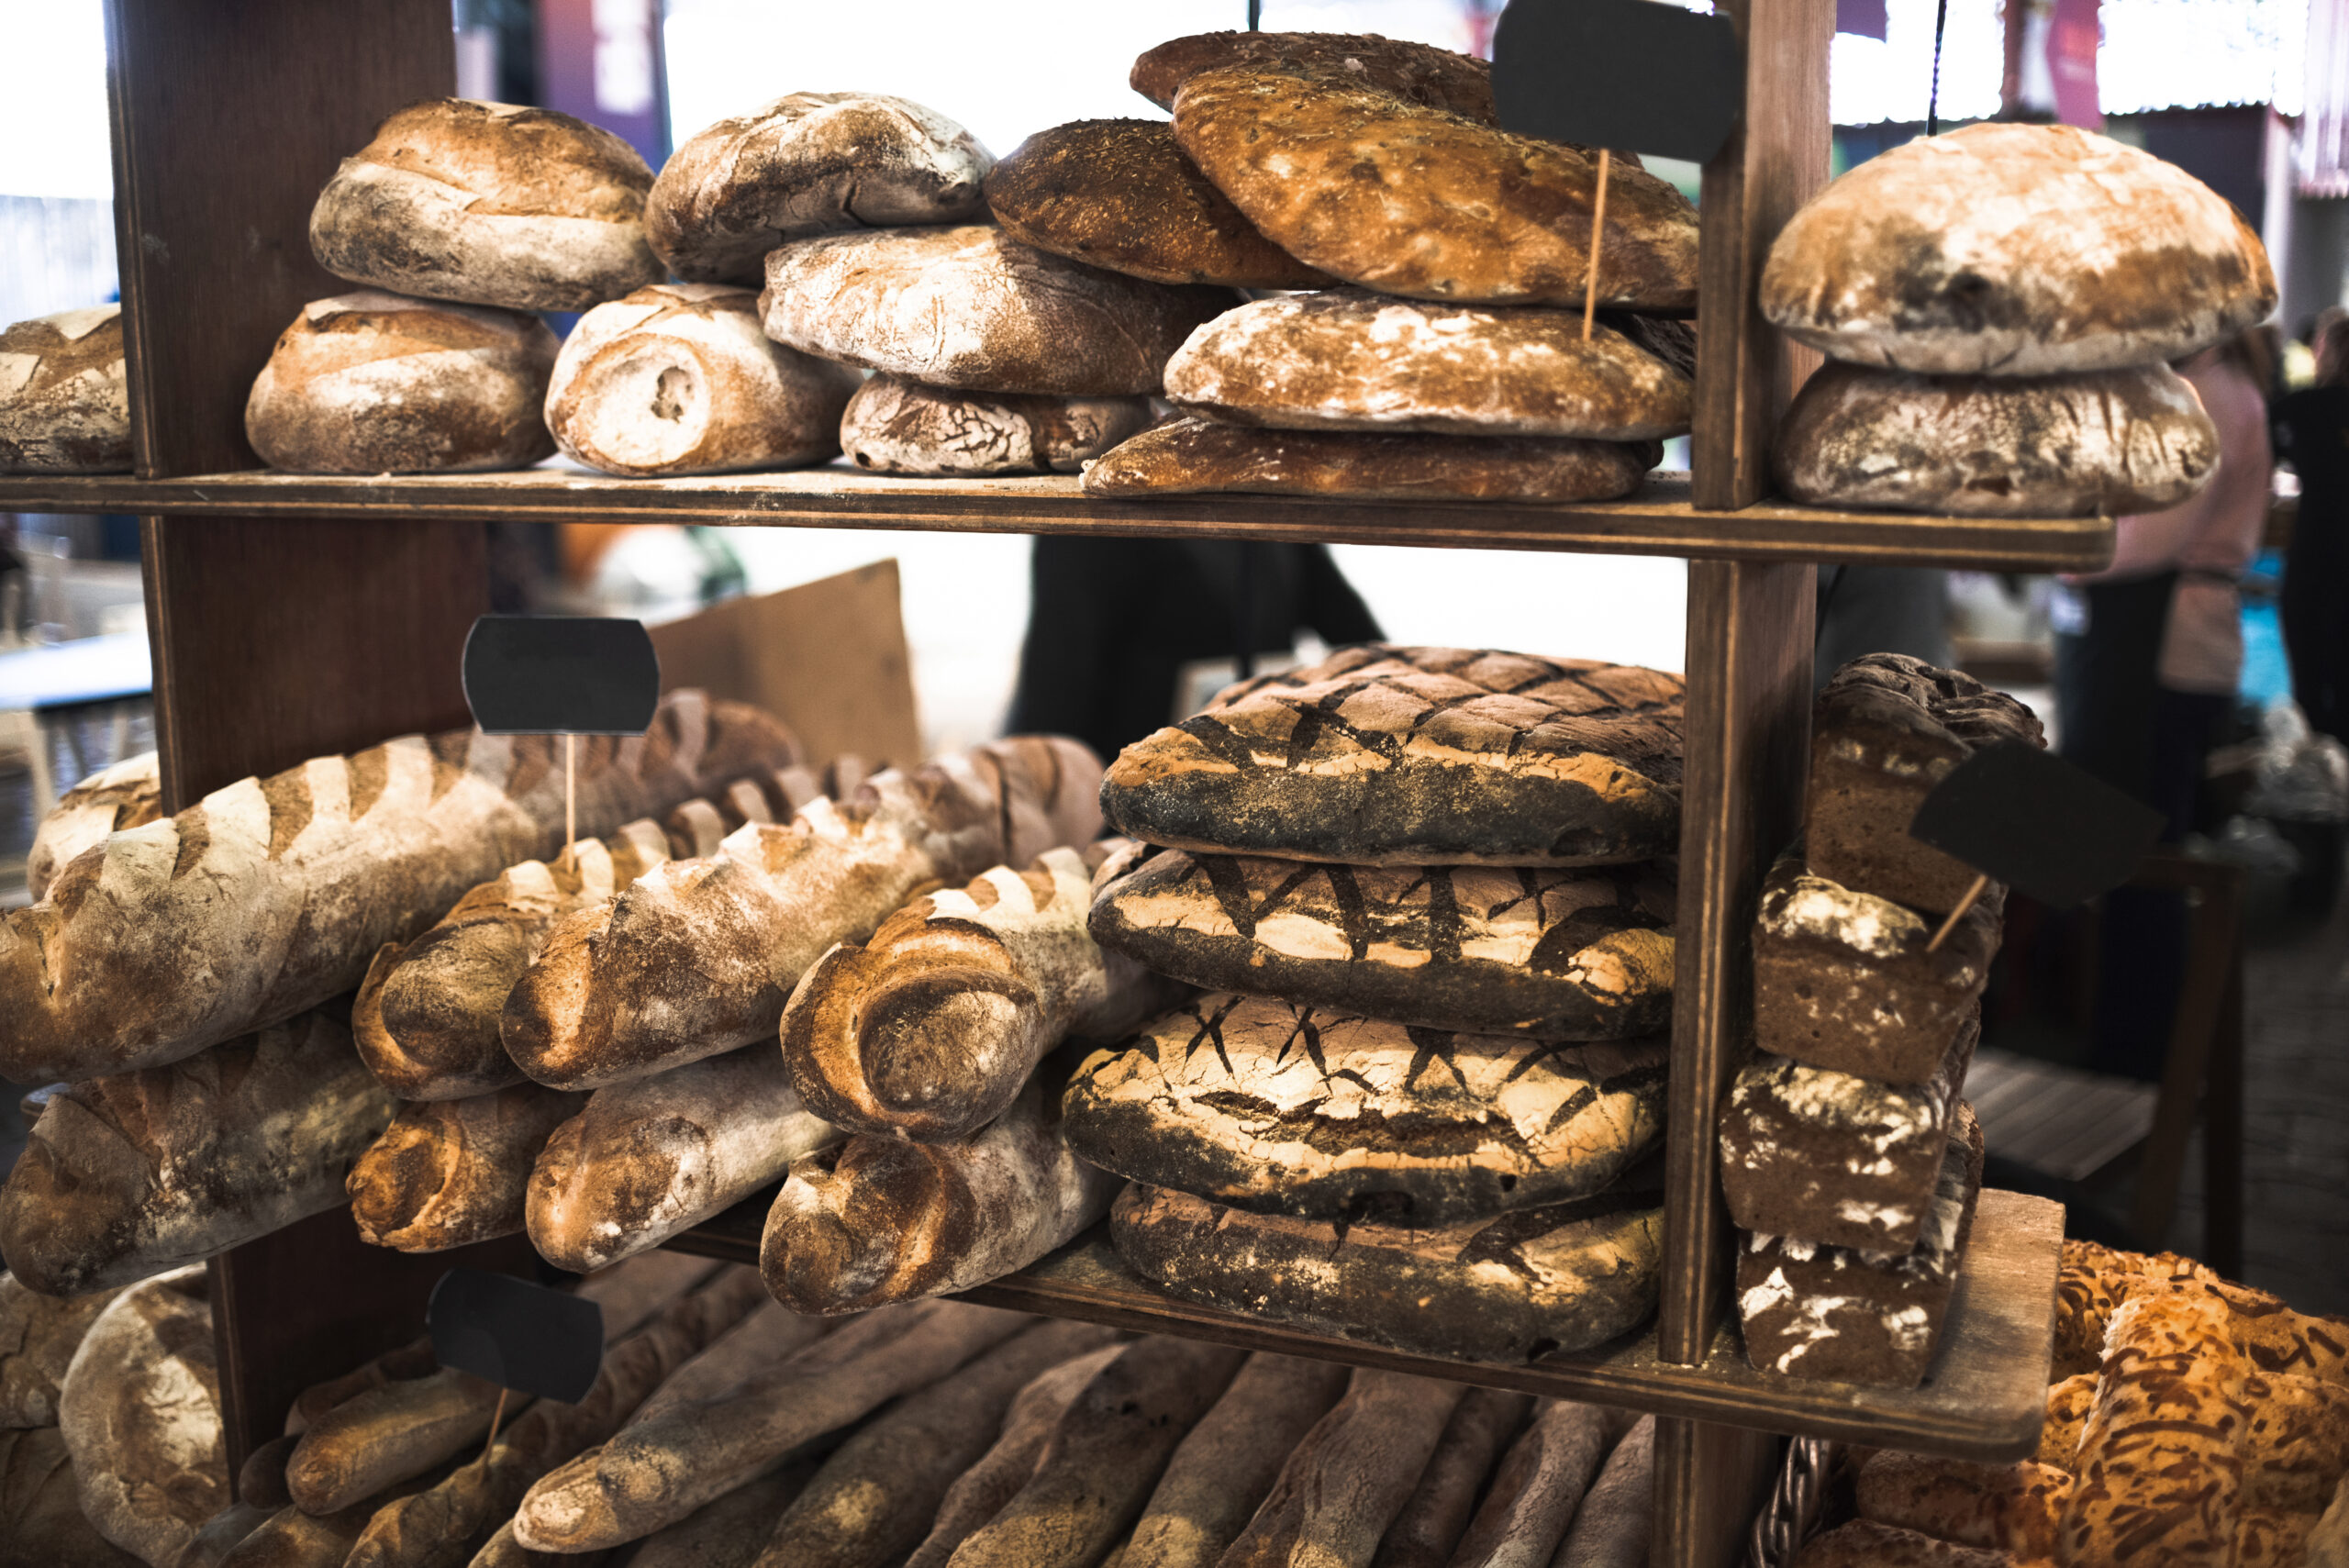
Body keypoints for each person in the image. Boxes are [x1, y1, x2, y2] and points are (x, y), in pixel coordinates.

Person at [2061, 331, 2275, 838]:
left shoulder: (2207, 395)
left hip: (2170, 642)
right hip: (2159, 632)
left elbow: (2157, 536)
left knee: (2140, 838)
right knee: (2138, 826)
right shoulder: (2196, 384)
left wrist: (2064, 559)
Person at [1006, 537, 1382, 764]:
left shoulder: (1269, 495)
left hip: (1255, 782)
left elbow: (1360, 640)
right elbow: (1057, 685)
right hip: (1125, 799)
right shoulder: (1094, 523)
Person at [2274, 310, 2349, 744]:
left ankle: (2317, 775)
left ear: (2326, 351)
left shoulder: (2305, 408)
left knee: (2308, 683)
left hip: (2314, 553)